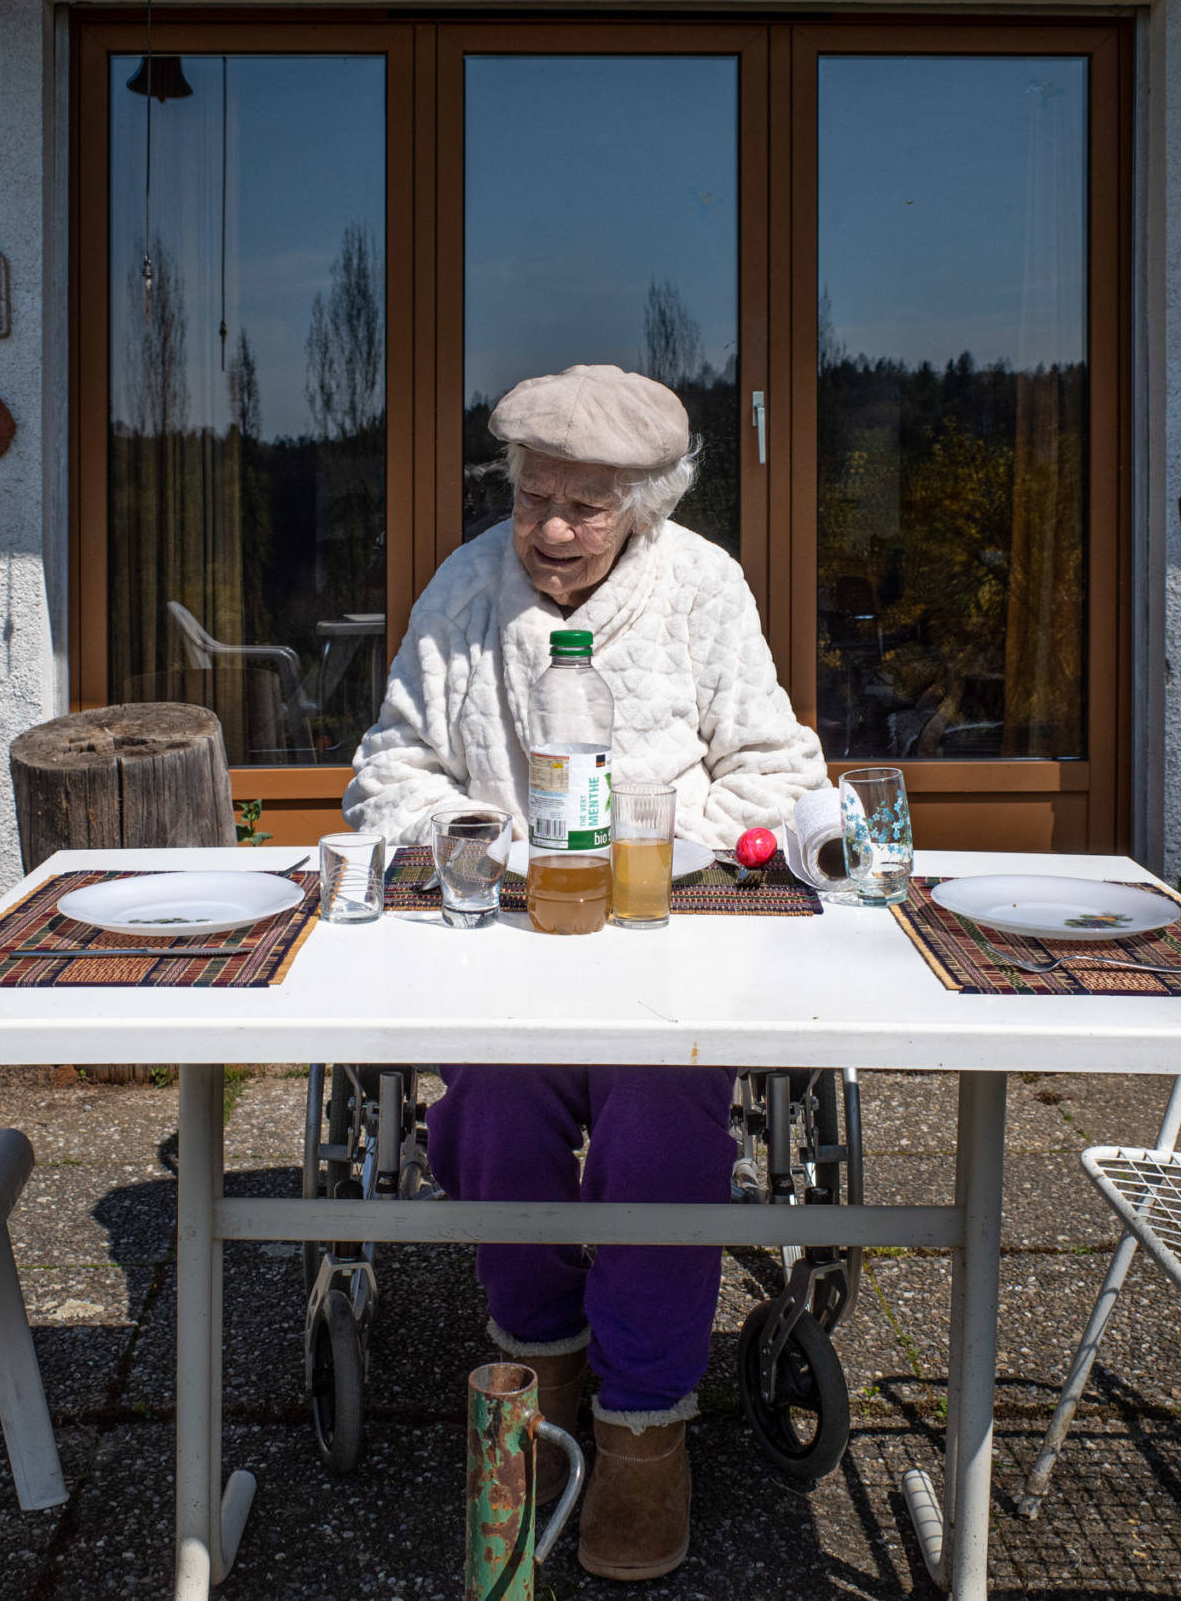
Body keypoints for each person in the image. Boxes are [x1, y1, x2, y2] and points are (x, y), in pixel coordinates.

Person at [345, 364, 826, 1580]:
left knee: (663, 1118)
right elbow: (389, 770)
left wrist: (658, 829)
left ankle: (644, 1428)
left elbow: (779, 770)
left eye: (588, 507)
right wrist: (490, 839)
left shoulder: (701, 587)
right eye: (534, 499)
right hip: (507, 939)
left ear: (647, 507)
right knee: (491, 1107)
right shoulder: (465, 589)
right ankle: (545, 1356)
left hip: (666, 937)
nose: (552, 529)